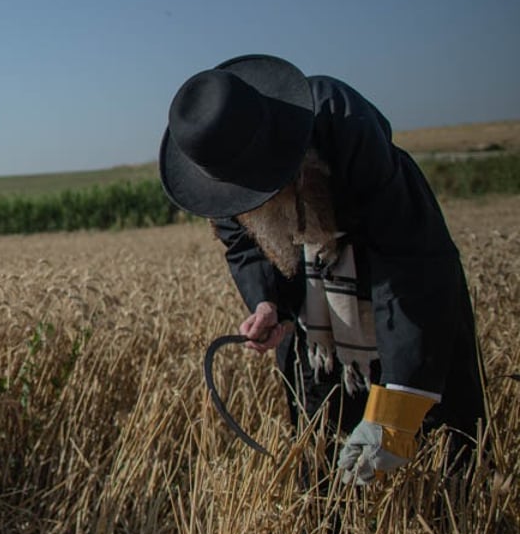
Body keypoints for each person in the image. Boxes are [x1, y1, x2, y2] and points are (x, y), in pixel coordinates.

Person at [158, 54, 486, 485]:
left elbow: (411, 263)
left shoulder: (342, 124)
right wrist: (266, 300)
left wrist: (398, 406)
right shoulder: (214, 170)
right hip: (314, 309)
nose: (249, 205)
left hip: (390, 275)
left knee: (438, 435)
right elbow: (242, 242)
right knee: (323, 434)